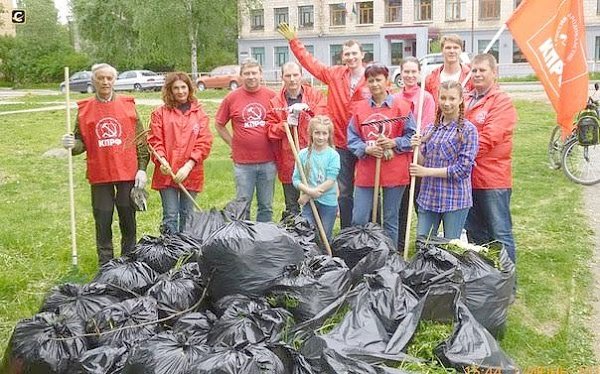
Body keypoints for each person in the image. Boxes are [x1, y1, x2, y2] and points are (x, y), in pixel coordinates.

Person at [278, 22, 370, 229]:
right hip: (340, 142)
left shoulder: (371, 78)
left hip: (365, 143)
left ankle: (371, 229)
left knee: (368, 189)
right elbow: (311, 64)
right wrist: (294, 42)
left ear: (362, 55)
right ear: (342, 57)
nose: (351, 57)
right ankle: (347, 231)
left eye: (354, 53)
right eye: (347, 54)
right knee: (344, 191)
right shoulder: (335, 74)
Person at [61, 63, 149, 265]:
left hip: (127, 172)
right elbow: (80, 142)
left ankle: (129, 260)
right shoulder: (85, 111)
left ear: (114, 80)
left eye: (109, 78)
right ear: (93, 80)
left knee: (128, 216)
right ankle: (106, 262)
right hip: (100, 174)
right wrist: (71, 144)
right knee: (103, 218)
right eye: (101, 78)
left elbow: (141, 140)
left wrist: (142, 169)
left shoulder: (128, 105)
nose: (105, 82)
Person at [347, 63, 416, 247]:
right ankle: (362, 254)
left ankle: (389, 259)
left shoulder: (402, 107)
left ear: (387, 81)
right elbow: (352, 138)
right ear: (366, 83)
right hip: (368, 170)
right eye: (371, 80)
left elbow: (412, 136)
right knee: (359, 218)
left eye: (379, 80)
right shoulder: (360, 109)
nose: (375, 84)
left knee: (390, 219)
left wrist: (393, 143)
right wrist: (365, 149)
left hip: (394, 171)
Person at [464, 53, 518, 263]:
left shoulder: (501, 102)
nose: (476, 74)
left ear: (494, 73)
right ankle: (486, 281)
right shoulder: (466, 100)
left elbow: (489, 139)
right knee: (475, 233)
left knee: (500, 232)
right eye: (474, 70)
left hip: (492, 180)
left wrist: (459, 156)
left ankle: (507, 284)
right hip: (467, 179)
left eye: (482, 70)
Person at [409, 80, 479, 239]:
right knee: (423, 244)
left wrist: (426, 172)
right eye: (443, 98)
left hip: (455, 199)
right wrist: (416, 148)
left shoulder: (468, 130)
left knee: (449, 249)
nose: (447, 103)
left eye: (452, 99)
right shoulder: (429, 130)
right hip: (428, 197)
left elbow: (462, 170)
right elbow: (421, 162)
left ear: (461, 99)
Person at [147, 72, 213, 234]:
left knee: (187, 215)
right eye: (176, 88)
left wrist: (188, 166)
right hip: (167, 172)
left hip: (191, 172)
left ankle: (186, 250)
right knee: (170, 215)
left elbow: (204, 142)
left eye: (183, 87)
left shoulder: (200, 114)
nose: (180, 91)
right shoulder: (160, 114)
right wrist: (161, 160)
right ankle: (169, 251)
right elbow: (155, 140)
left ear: (189, 89)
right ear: (169, 90)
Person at [215, 58, 277, 222]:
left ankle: (263, 238)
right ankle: (244, 240)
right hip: (243, 163)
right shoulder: (231, 98)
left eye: (254, 73)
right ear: (241, 76)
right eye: (247, 73)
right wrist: (232, 143)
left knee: (266, 205)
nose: (251, 77)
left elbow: (280, 123)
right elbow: (219, 124)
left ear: (260, 74)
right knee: (243, 204)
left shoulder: (272, 96)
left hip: (268, 161)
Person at [266, 61, 327, 216]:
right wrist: (285, 125)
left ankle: (316, 236)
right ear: (282, 78)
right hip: (288, 159)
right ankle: (296, 236)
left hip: (313, 157)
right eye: (288, 76)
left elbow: (323, 119)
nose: (292, 79)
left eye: (295, 75)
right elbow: (269, 131)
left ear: (301, 76)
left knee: (315, 202)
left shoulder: (315, 96)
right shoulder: (275, 103)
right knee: (292, 205)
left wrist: (309, 111)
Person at [396, 56, 436, 248]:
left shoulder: (426, 98)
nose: (410, 75)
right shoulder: (395, 98)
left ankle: (426, 244)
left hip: (419, 157)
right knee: (401, 205)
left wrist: (419, 145)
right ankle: (400, 244)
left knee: (420, 203)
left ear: (419, 73)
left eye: (413, 72)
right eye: (406, 71)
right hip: (399, 158)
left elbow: (428, 127)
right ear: (401, 73)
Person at [292, 115, 340, 243]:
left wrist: (309, 194)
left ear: (329, 135)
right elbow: (296, 179)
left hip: (328, 203)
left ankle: (325, 259)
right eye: (317, 133)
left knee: (324, 237)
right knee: (307, 234)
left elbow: (331, 180)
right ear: (311, 133)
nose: (320, 137)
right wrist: (308, 191)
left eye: (324, 133)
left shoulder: (333, 155)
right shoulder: (303, 154)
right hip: (309, 205)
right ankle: (309, 261)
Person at [425, 34, 473, 105]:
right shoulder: (431, 79)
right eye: (448, 48)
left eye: (456, 48)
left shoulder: (470, 77)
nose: (452, 51)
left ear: (461, 50)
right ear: (442, 50)